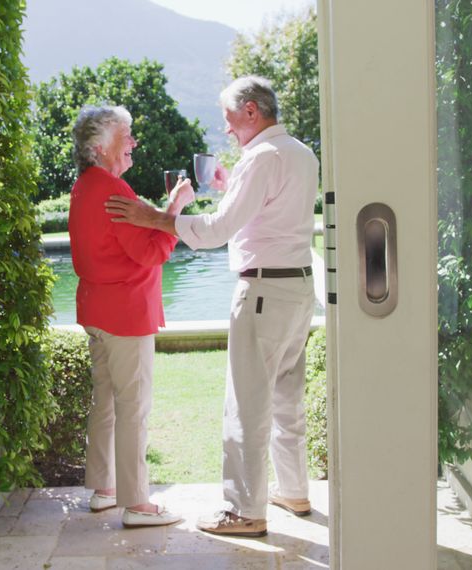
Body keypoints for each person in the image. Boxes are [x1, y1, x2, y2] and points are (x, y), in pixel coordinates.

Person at [105, 77, 319, 537]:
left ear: (250, 111)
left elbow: (220, 230)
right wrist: (230, 185)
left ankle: (245, 511)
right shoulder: (301, 154)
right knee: (287, 398)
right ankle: (294, 491)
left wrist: (158, 218)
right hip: (299, 290)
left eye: (228, 119)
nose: (226, 130)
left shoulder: (261, 159)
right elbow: (262, 218)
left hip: (263, 293)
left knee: (245, 404)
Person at [68, 105, 192, 528]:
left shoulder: (85, 186)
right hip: (125, 314)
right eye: (127, 136)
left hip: (98, 312)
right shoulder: (113, 190)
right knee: (133, 407)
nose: (134, 143)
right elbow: (150, 251)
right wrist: (175, 208)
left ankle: (104, 490)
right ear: (101, 148)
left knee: (105, 402)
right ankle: (138, 504)